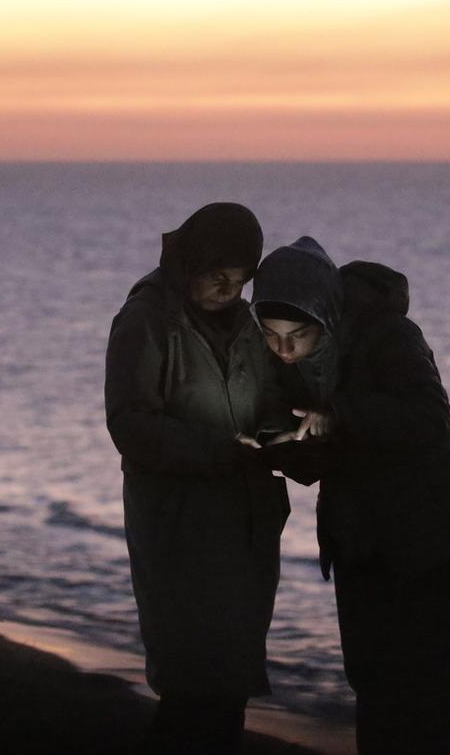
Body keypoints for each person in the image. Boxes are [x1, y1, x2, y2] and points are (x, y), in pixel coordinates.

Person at [248, 236, 450, 754]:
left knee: (433, 692)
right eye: (272, 338)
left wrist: (340, 416)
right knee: (373, 682)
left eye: (298, 335)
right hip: (360, 536)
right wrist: (274, 446)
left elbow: (428, 418)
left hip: (433, 533)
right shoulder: (285, 359)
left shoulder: (390, 335)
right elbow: (324, 459)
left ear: (326, 314)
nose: (286, 351)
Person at [104, 203, 292, 753]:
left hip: (246, 529)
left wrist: (289, 437)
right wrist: (222, 452)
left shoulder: (251, 324)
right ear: (189, 261)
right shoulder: (146, 319)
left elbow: (270, 401)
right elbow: (130, 423)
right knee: (191, 689)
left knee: (229, 686)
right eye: (217, 275)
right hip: (180, 530)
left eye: (239, 279)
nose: (227, 289)